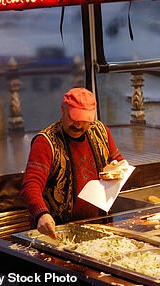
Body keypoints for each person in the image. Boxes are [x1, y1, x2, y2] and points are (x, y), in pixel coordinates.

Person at [21, 87, 127, 239]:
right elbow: (30, 185)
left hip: (99, 225)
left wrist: (119, 169)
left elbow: (119, 162)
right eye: (74, 118)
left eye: (85, 121)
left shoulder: (101, 131)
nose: (78, 125)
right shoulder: (45, 142)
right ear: (62, 110)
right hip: (58, 231)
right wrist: (41, 214)